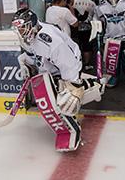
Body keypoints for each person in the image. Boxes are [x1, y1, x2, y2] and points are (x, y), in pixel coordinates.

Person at [11, 8, 107, 152]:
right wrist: (24, 62)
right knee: (50, 96)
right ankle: (93, 83)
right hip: (50, 66)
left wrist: (73, 86)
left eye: (23, 28)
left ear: (32, 24)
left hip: (69, 61)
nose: (20, 32)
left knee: (66, 102)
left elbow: (69, 64)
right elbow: (33, 53)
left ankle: (72, 131)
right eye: (18, 29)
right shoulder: (28, 36)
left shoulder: (51, 41)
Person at [73, 0, 96, 71]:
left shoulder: (74, 2)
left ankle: (79, 63)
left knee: (78, 46)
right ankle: (87, 64)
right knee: (87, 46)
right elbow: (94, 16)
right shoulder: (92, 4)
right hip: (88, 28)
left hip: (76, 29)